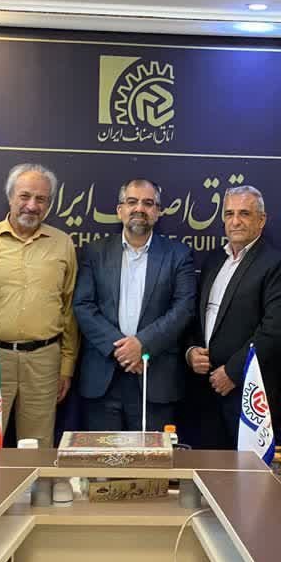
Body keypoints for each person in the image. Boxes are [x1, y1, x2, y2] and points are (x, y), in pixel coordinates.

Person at [0, 163, 78, 448]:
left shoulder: (63, 244)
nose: (32, 206)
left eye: (41, 199)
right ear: (10, 197)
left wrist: (66, 367)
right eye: (25, 196)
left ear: (49, 204)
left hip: (44, 361)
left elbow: (69, 310)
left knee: (37, 447)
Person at [74, 179, 196, 431]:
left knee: (152, 455)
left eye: (148, 203)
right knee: (102, 456)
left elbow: (183, 308)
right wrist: (122, 350)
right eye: (132, 202)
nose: (139, 208)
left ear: (158, 212)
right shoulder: (94, 252)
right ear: (120, 210)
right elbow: (83, 305)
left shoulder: (178, 254)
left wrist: (142, 344)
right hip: (103, 377)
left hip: (155, 377)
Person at [182, 185, 281, 449]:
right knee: (208, 467)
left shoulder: (277, 265)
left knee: (247, 471)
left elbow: (275, 331)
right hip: (206, 391)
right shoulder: (213, 260)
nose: (235, 221)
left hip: (248, 392)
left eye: (244, 213)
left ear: (261, 220)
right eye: (229, 214)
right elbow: (196, 317)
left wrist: (233, 372)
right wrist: (190, 351)